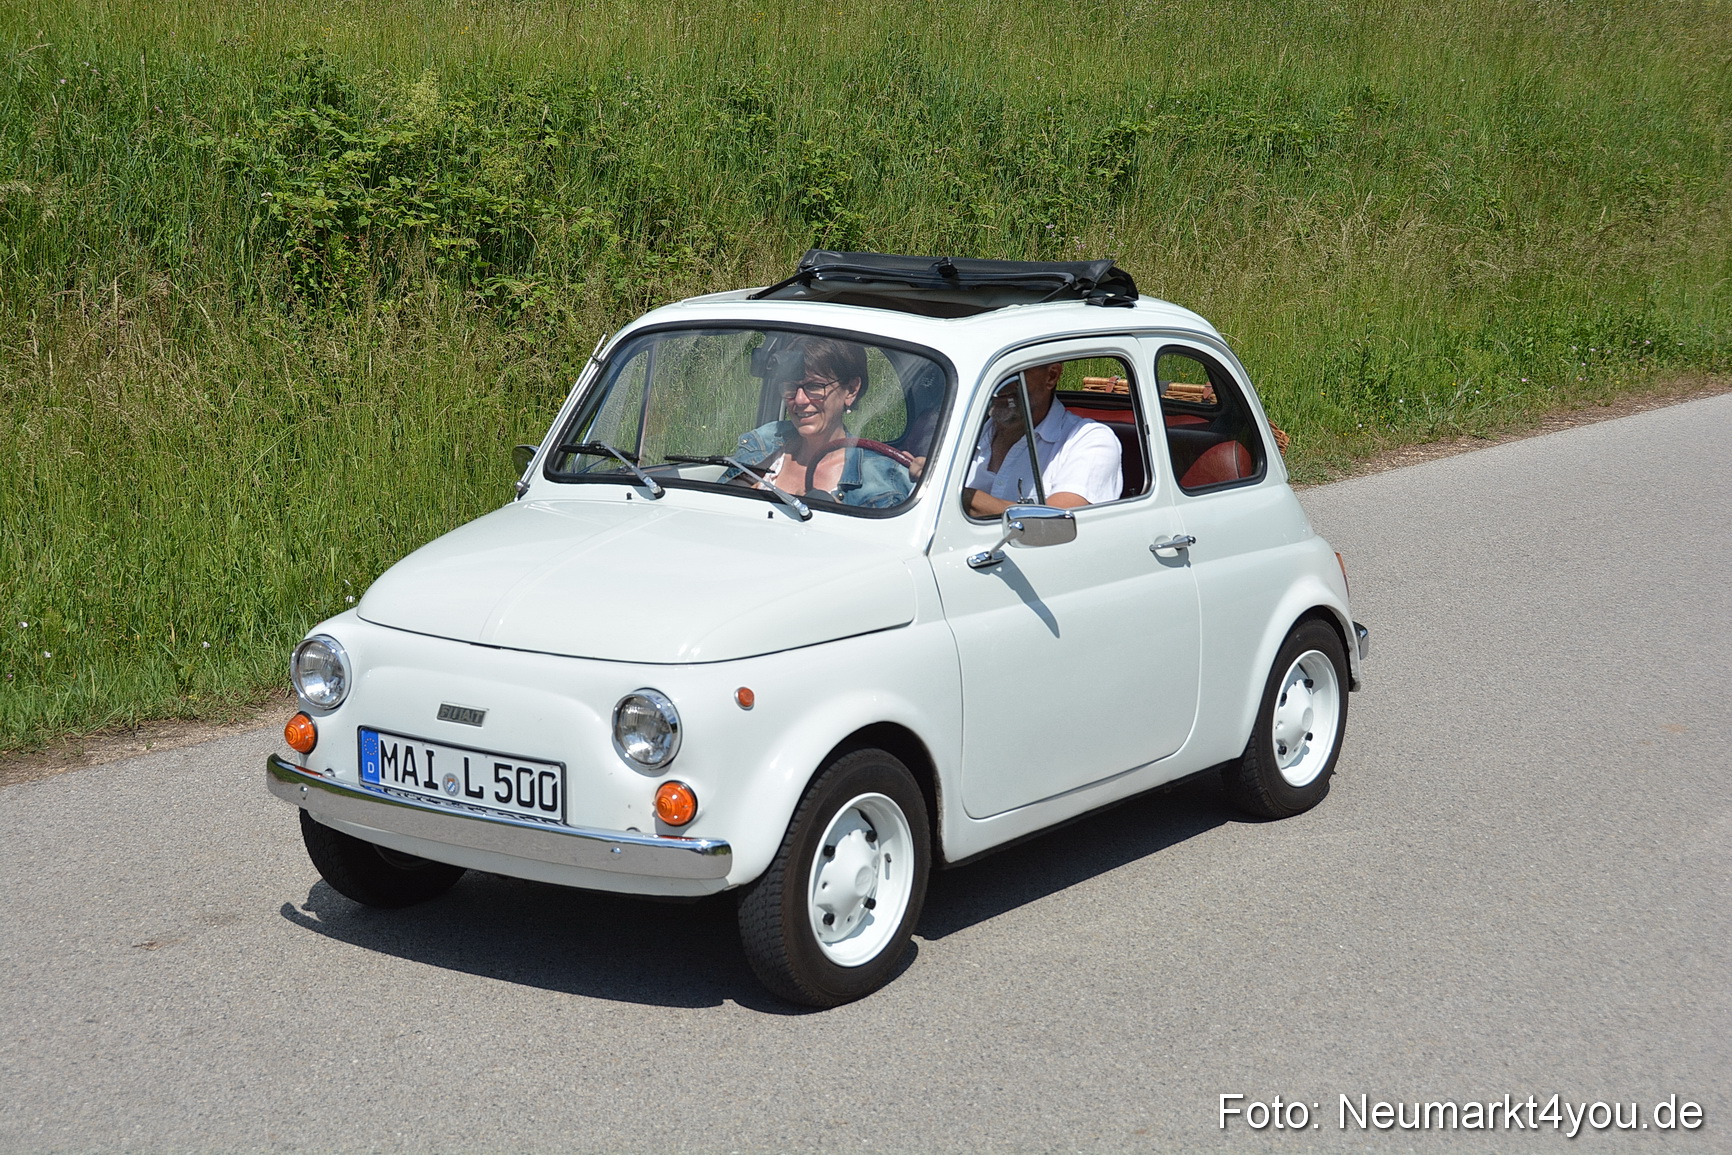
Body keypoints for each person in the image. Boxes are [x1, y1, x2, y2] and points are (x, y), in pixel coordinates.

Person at [733, 337, 913, 508]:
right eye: (790, 387)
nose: (800, 399)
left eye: (815, 386)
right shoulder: (762, 445)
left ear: (851, 390)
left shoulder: (883, 478)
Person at [962, 362, 1122, 517]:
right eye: (986, 373)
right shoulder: (960, 433)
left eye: (1012, 372)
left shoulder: (1090, 440)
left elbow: (1057, 525)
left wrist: (962, 499)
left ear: (1051, 376)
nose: (996, 384)